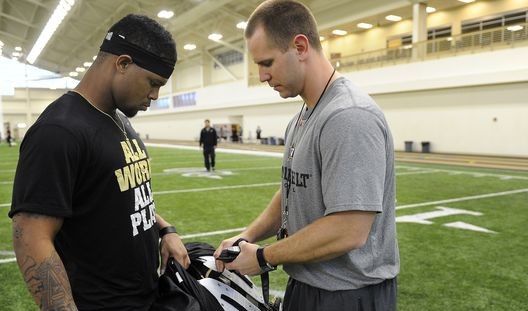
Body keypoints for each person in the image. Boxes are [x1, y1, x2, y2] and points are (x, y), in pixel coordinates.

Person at [214, 1, 399, 310]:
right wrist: (247, 236)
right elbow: (293, 189)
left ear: (300, 46)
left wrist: (263, 257)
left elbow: (348, 230)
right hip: (309, 284)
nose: (261, 76)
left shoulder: (348, 116)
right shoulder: (305, 112)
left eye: (267, 62)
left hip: (347, 295)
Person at [9, 14, 190, 311]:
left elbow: (121, 197)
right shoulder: (59, 130)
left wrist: (164, 229)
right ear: (122, 63)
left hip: (145, 296)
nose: (156, 95)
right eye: (153, 82)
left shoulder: (117, 118)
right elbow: (30, 238)